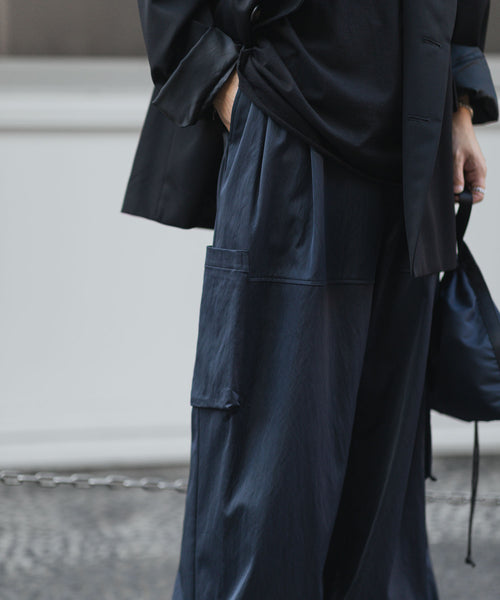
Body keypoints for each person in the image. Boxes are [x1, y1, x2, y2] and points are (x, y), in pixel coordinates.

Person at [122, 1, 499, 598]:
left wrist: (459, 103)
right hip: (288, 124)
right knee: (266, 498)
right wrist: (222, 84)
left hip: (414, 147)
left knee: (380, 516)